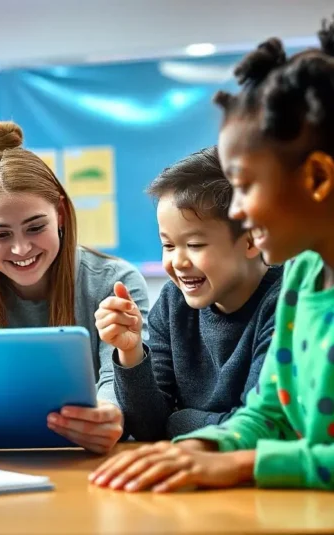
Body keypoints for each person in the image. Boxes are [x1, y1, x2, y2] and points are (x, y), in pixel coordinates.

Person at [90, 15, 334, 492]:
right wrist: (199, 449)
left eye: (245, 188)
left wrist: (241, 464)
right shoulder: (305, 276)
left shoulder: (283, 283)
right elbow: (267, 412)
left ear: (318, 179)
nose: (239, 210)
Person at [0, 121, 149, 454]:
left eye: (35, 227)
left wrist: (108, 413)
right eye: (0, 234)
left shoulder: (114, 281)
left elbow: (117, 378)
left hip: (85, 465)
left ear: (61, 215)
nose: (21, 249)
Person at [98, 147, 282, 440]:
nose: (178, 262)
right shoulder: (173, 304)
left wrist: (177, 422)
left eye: (195, 245)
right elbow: (146, 428)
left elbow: (258, 428)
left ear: (250, 240)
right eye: (168, 246)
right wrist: (131, 352)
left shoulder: (286, 304)